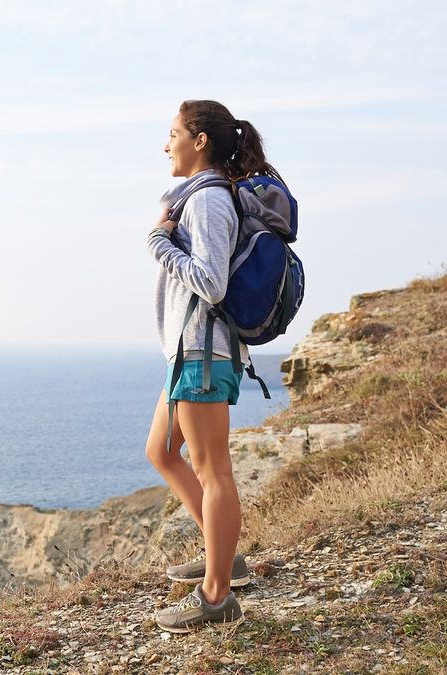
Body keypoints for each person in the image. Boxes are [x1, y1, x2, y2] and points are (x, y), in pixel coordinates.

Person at [145, 99, 285, 632]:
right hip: (187, 351)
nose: (166, 144)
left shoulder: (207, 201)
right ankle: (222, 555)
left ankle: (217, 594)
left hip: (203, 351)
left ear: (199, 140)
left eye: (173, 133)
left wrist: (159, 243)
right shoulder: (198, 198)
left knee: (214, 471)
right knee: (161, 451)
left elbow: (210, 282)